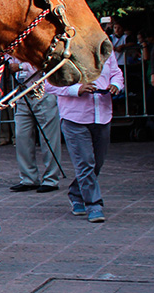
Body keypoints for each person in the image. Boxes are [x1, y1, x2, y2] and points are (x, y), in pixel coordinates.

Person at [44, 52, 123, 223]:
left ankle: (76, 192)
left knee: (97, 162)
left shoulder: (105, 48)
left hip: (102, 113)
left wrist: (116, 84)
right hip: (74, 117)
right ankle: (94, 204)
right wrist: (76, 89)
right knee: (85, 162)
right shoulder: (63, 51)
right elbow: (49, 83)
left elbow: (116, 72)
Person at [7, 58, 62, 192]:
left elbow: (43, 63)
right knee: (21, 137)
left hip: (42, 91)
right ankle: (28, 178)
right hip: (22, 92)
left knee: (49, 138)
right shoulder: (13, 49)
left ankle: (51, 179)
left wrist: (20, 66)